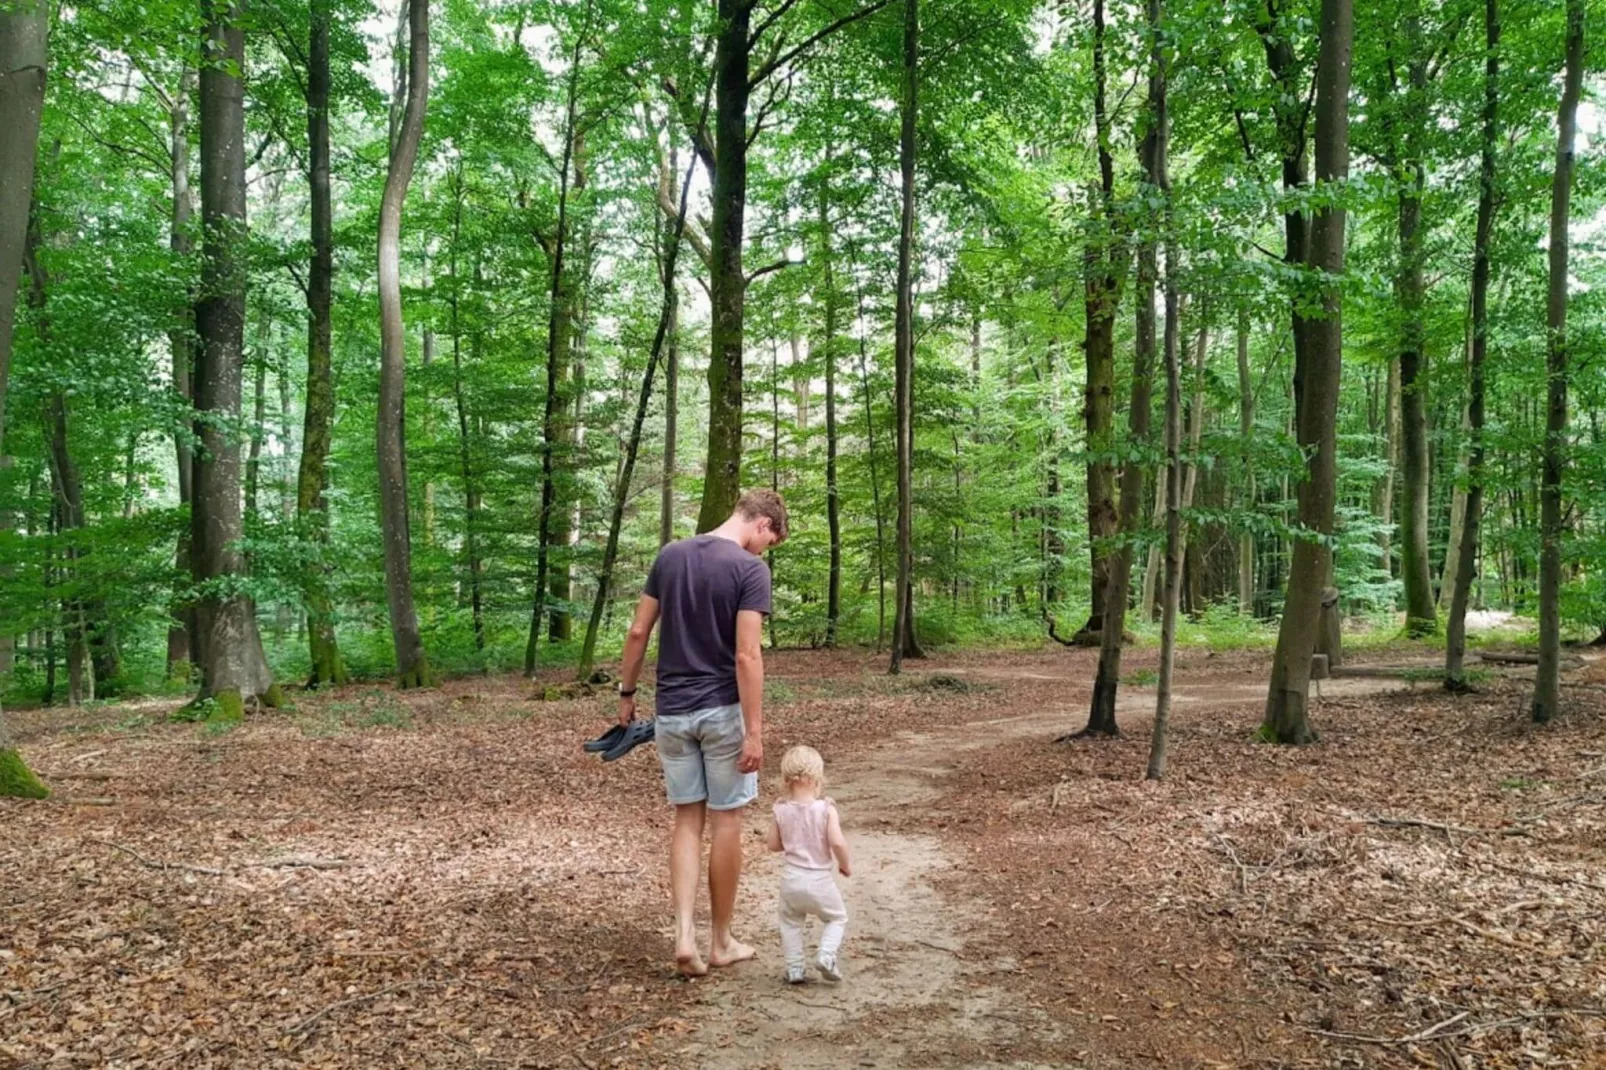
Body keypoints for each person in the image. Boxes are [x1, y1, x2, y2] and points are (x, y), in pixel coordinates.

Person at [616, 489, 789, 977]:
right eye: (768, 543)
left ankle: (684, 936)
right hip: (722, 712)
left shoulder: (670, 556)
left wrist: (627, 694)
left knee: (686, 821)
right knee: (727, 820)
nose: (762, 553)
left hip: (671, 712)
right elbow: (747, 656)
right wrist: (753, 732)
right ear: (761, 524)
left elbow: (637, 632)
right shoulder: (749, 570)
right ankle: (721, 941)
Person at [766, 745, 852, 984]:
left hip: (791, 880)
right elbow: (837, 842)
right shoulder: (826, 809)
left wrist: (793, 837)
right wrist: (845, 864)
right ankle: (826, 954)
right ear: (817, 778)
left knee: (790, 922)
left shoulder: (780, 809)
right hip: (819, 880)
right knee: (836, 918)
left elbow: (772, 844)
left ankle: (795, 969)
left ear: (786, 779)